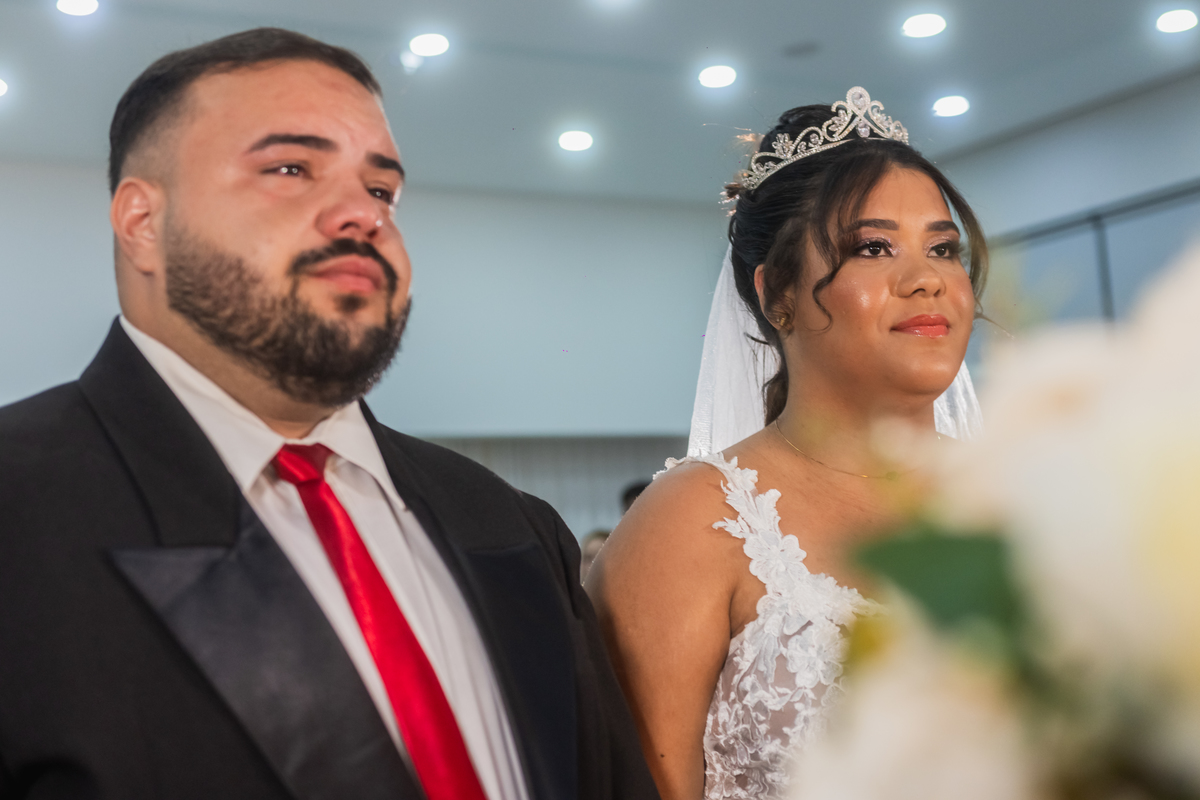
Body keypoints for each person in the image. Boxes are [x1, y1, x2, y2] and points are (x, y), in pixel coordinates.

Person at [0, 29, 658, 800]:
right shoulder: (20, 509)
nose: (362, 214)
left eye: (381, 190)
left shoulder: (512, 523)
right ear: (143, 221)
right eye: (290, 169)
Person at [585, 88, 987, 800]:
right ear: (778, 295)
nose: (928, 279)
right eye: (873, 247)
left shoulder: (1025, 487)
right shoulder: (696, 522)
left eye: (943, 248)